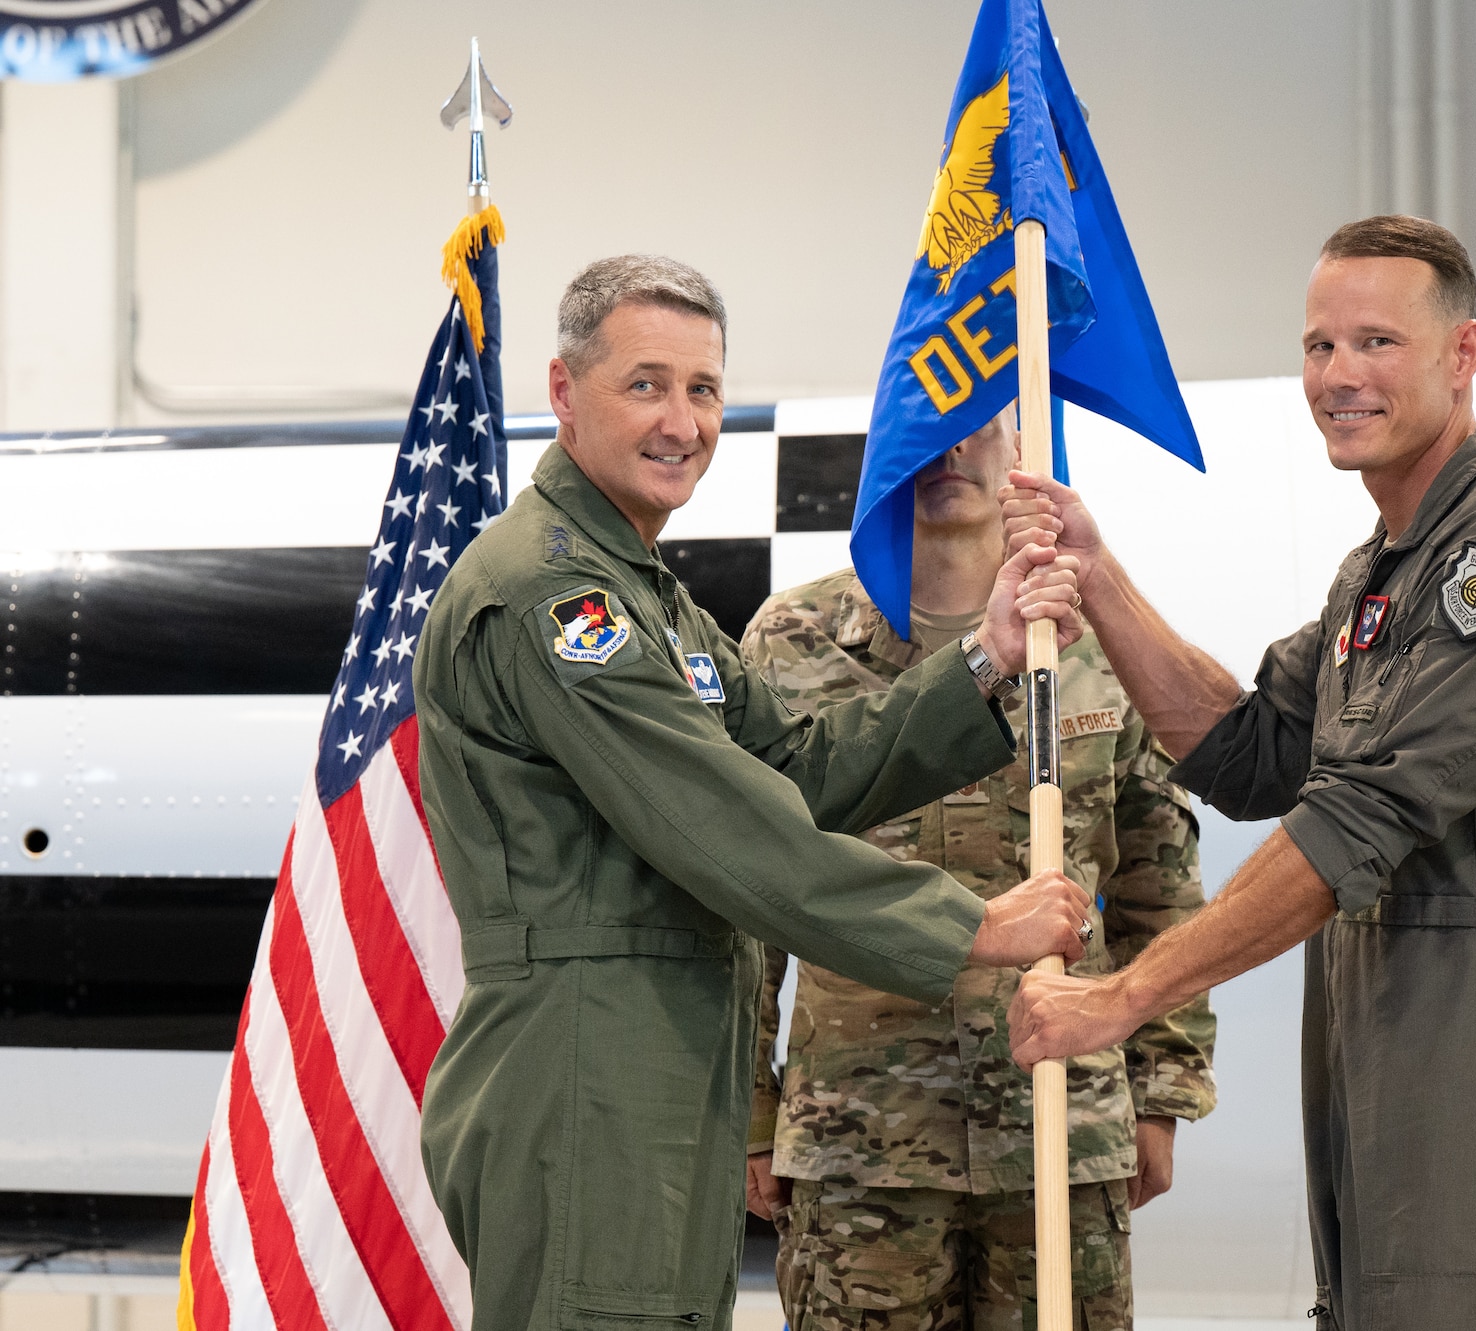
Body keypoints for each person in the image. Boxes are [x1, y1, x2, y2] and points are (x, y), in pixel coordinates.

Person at [412, 255, 1095, 1331]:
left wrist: (983, 660)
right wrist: (966, 925)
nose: (680, 420)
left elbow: (795, 769)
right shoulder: (554, 593)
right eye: (645, 383)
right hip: (586, 1061)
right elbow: (725, 825)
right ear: (561, 391)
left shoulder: (646, 594)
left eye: (702, 388)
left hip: (657, 1058)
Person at [1002, 216, 1476, 1331]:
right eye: (1317, 347)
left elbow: (1352, 823)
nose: (1338, 376)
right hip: (1387, 1038)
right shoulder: (1386, 570)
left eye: (1374, 343)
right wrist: (1095, 577)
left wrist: (1120, 997)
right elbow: (1247, 751)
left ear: (1460, 353)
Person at [738, 406, 1216, 1331]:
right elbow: (751, 896)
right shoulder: (788, 640)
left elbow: (1161, 888)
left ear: (1022, 447)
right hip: (859, 1142)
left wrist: (1161, 1090)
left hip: (1059, 1128)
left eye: (975, 420)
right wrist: (751, 1112)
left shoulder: (1097, 636)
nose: (947, 446)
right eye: (927, 417)